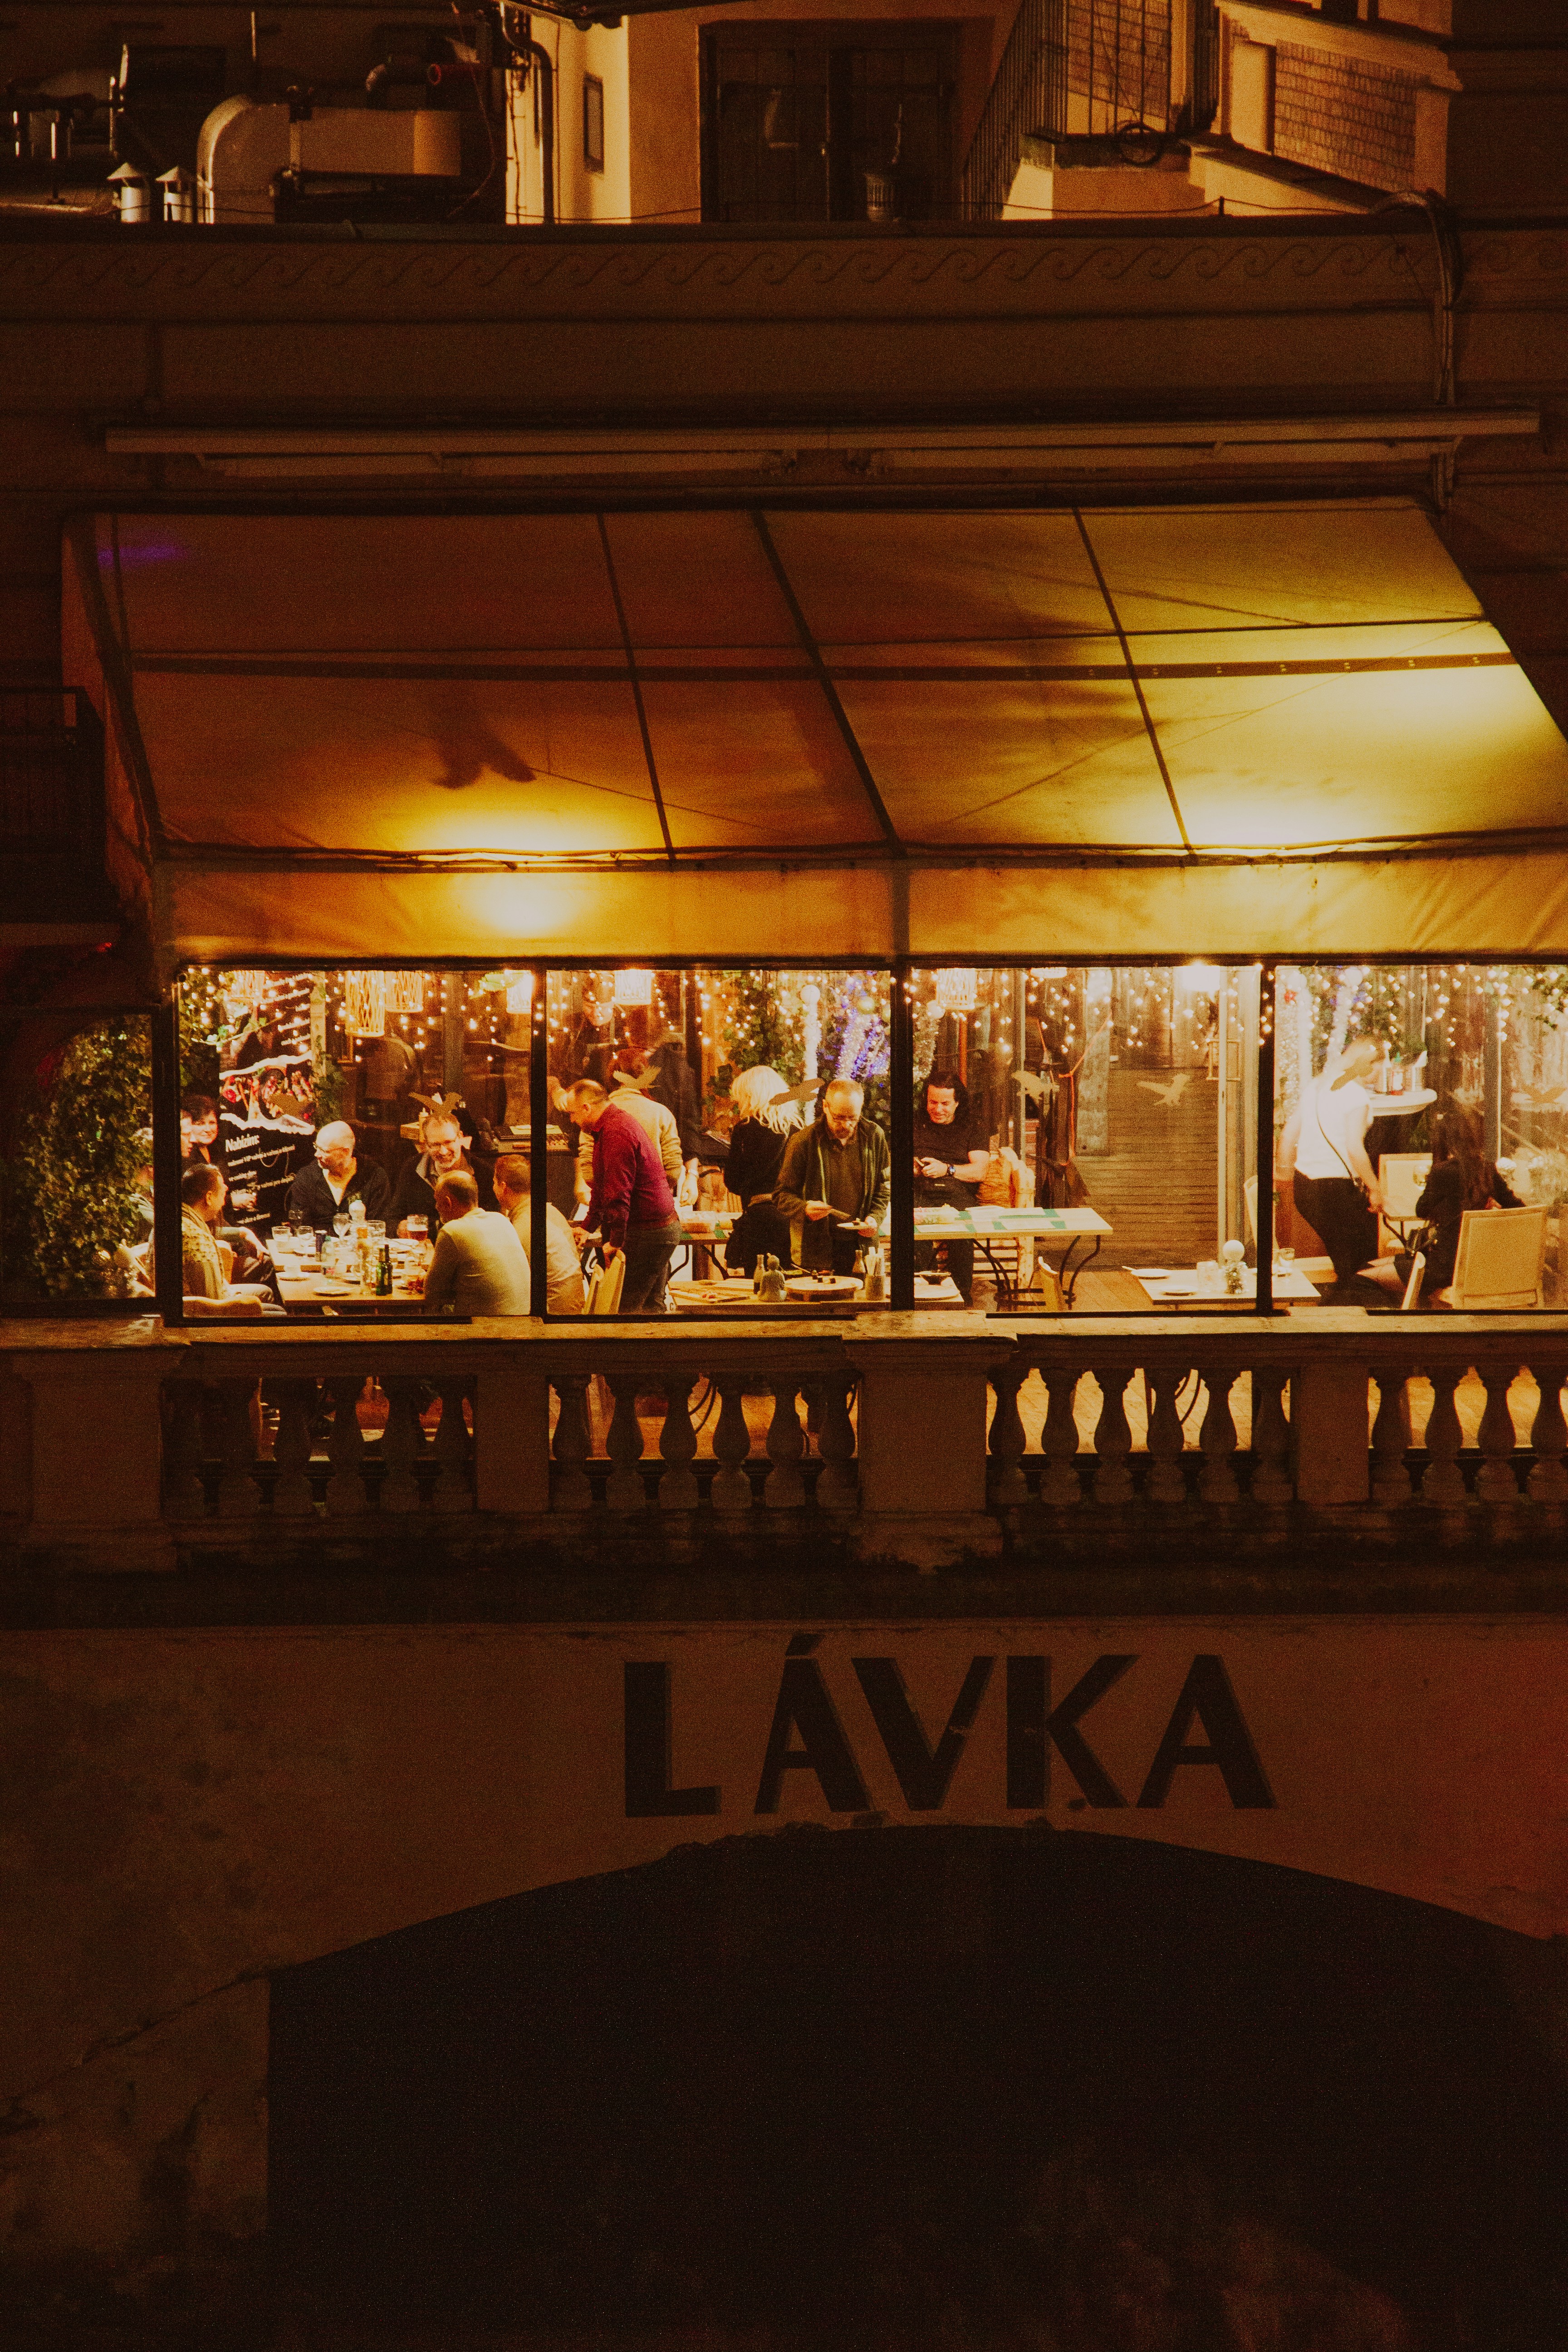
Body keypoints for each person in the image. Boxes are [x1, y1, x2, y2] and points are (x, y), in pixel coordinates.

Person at [1276, 1036, 1386, 1293]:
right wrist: (1375, 1188)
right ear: (1370, 1064)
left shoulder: (1317, 1086)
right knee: (1362, 1265)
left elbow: (1288, 1135)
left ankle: (1343, 1310)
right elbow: (1354, 1147)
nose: (1382, 1072)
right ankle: (1350, 1317)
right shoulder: (1356, 1096)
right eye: (1381, 1065)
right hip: (1335, 1190)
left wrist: (1282, 1178)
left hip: (1306, 1189)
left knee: (1345, 1262)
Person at [564, 1078, 683, 1313]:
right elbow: (602, 1186)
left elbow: (619, 1194)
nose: (572, 1120)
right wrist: (589, 1225)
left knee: (625, 1310)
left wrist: (615, 1242)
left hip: (648, 1233)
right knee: (650, 1307)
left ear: (587, 1108)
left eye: (573, 1113)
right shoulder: (609, 1127)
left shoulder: (616, 1132)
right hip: (655, 1229)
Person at [774, 1078, 891, 1274]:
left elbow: (884, 1187)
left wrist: (874, 1218)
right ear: (825, 1107)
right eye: (839, 1118)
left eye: (853, 1118)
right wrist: (804, 1208)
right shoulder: (803, 1141)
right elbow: (781, 1195)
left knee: (863, 1303)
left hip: (862, 1246)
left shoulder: (873, 1136)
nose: (846, 1125)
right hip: (817, 1250)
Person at [1411, 1109, 1523, 1298]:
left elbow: (1421, 1210)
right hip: (1481, 1269)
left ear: (1443, 1141)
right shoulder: (1486, 1169)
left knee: (1364, 1277)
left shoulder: (1443, 1172)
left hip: (1444, 1270)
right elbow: (1517, 1208)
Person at [912, 1069, 990, 1304]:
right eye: (932, 1102)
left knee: (962, 1229)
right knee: (913, 1224)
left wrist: (948, 1169)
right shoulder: (915, 1123)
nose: (938, 1109)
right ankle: (926, 1292)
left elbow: (980, 1171)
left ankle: (962, 1296)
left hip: (957, 1190)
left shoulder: (972, 1126)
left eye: (945, 1103)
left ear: (957, 1103)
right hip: (920, 1189)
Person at [722, 1064, 804, 1275]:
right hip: (793, 1218)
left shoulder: (745, 1129)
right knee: (792, 1281)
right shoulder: (798, 1128)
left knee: (759, 1283)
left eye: (741, 1097)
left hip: (758, 1218)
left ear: (751, 1096)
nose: (739, 1103)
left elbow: (732, 1181)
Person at [422, 1171, 531, 1316]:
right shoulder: (501, 1220)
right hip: (524, 1322)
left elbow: (432, 1293)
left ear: (448, 1203)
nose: (436, 1207)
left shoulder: (452, 1231)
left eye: (437, 1201)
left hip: (486, 1332)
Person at [491, 1151, 585, 1314]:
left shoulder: (521, 1227)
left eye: (494, 1182)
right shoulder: (549, 1210)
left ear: (503, 1187)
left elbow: (507, 1284)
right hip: (574, 1303)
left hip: (552, 1317)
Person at [286, 1120, 390, 1229]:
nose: (317, 1154)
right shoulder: (307, 1177)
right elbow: (301, 1228)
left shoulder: (374, 1176)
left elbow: (378, 1226)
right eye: (316, 1147)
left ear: (345, 1152)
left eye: (324, 1151)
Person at [391, 1109, 470, 1235]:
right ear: (426, 1145)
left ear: (460, 1137)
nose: (443, 1151)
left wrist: (430, 1228)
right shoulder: (412, 1168)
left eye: (448, 1142)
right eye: (435, 1145)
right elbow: (393, 1217)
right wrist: (400, 1227)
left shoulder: (483, 1172)